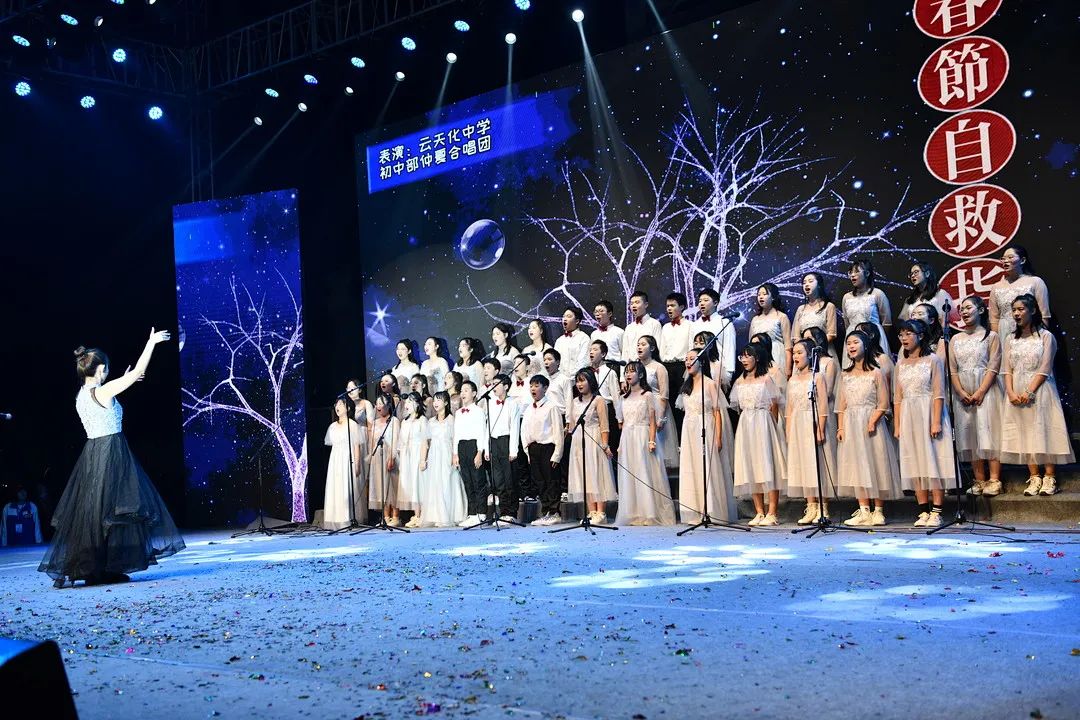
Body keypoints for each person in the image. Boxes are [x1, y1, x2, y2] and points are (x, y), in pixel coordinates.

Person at [39, 331, 184, 588]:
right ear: (101, 369)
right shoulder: (103, 391)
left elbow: (122, 384)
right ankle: (99, 568)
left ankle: (101, 567)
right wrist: (150, 343)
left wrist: (124, 380)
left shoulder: (81, 394)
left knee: (96, 511)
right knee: (113, 510)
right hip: (111, 451)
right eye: (106, 369)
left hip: (93, 453)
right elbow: (138, 371)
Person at [1000, 294, 1074, 496]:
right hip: (1016, 390)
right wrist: (1010, 392)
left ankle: (1049, 477)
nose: (1016, 313)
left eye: (1021, 309)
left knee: (1044, 429)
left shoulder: (1046, 337)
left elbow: (1045, 367)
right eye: (1014, 310)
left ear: (1032, 311)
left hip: (1041, 389)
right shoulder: (1010, 339)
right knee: (1024, 432)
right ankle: (1034, 477)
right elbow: (1006, 369)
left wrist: (1029, 390)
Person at [894, 319, 954, 528]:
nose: (904, 338)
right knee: (916, 462)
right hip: (909, 415)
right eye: (901, 334)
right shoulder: (900, 364)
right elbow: (898, 397)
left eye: (909, 334)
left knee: (933, 461)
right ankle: (923, 510)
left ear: (920, 336)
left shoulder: (933, 360)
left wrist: (936, 421)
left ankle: (937, 511)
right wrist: (897, 425)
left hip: (929, 412)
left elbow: (938, 393)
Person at [837, 331, 900, 527]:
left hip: (871, 423)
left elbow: (883, 403)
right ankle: (863, 510)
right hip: (851, 424)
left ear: (865, 345)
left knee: (876, 463)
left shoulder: (876, 372)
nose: (851, 346)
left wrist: (872, 421)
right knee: (857, 466)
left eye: (855, 342)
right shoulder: (845, 375)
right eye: (848, 343)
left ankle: (878, 511)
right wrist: (840, 427)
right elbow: (841, 405)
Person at [949, 296, 1004, 496]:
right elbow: (952, 369)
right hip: (963, 392)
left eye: (968, 308)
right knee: (970, 433)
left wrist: (981, 391)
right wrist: (961, 391)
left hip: (986, 389)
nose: (963, 312)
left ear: (980, 310)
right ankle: (979, 480)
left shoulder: (991, 336)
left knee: (988, 431)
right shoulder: (955, 339)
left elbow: (993, 366)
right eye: (961, 309)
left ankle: (994, 480)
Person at [730, 343, 787, 526]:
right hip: (746, 424)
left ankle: (772, 512)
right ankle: (759, 512)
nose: (744, 360)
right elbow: (738, 406)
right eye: (742, 356)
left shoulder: (766, 379)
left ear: (757, 358)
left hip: (763, 422)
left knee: (767, 465)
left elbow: (774, 405)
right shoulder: (739, 381)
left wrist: (772, 427)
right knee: (751, 465)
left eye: (748, 356)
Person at [676, 349, 735, 524]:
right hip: (689, 429)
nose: (688, 362)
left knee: (707, 467)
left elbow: (717, 412)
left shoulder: (709, 384)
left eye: (692, 359)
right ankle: (694, 510)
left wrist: (718, 437)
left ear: (701, 362)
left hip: (706, 426)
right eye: (686, 359)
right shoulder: (686, 386)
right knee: (692, 467)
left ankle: (711, 510)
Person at [614, 361, 676, 526]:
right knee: (630, 474)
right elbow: (623, 423)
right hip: (628, 438)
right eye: (626, 372)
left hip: (643, 436)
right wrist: (620, 444)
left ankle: (648, 513)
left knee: (644, 473)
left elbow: (652, 420)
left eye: (632, 371)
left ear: (641, 374)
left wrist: (651, 440)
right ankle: (633, 513)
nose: (628, 375)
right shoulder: (623, 398)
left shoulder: (647, 395)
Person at [786, 340, 837, 525]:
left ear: (809, 355)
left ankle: (823, 507)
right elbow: (789, 408)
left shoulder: (818, 377)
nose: (795, 356)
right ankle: (811, 506)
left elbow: (823, 405)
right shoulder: (792, 380)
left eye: (800, 353)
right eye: (794, 353)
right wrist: (788, 431)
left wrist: (821, 428)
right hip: (797, 424)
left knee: (818, 465)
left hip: (812, 422)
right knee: (803, 465)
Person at [565, 368, 617, 524]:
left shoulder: (598, 400)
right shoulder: (575, 402)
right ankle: (591, 511)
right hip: (578, 442)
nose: (579, 384)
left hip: (594, 439)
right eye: (577, 381)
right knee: (584, 476)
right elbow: (572, 426)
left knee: (597, 474)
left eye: (582, 380)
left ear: (591, 381)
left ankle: (601, 513)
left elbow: (604, 425)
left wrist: (605, 444)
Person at [417, 391, 468, 527]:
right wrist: (422, 460)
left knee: (448, 482)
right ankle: (436, 516)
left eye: (439, 400)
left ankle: (450, 515)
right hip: (434, 456)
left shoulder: (452, 420)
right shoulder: (431, 422)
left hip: (447, 454)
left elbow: (456, 440)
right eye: (434, 400)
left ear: (446, 402)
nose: (435, 403)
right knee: (435, 484)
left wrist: (455, 455)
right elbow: (425, 442)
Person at [520, 375, 565, 526]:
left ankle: (555, 512)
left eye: (537, 386)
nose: (533, 389)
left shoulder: (551, 407)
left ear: (545, 388)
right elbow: (524, 430)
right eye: (531, 386)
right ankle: (546, 511)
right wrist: (527, 450)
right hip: (533, 448)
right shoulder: (528, 409)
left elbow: (558, 431)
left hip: (548, 447)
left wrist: (557, 454)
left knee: (551, 480)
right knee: (539, 482)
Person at [988, 245, 1051, 338]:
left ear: (1022, 260)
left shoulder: (1035, 282)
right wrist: (996, 342)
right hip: (1004, 332)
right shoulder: (996, 287)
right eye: (1003, 259)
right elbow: (994, 319)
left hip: (1029, 332)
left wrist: (1039, 339)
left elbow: (1044, 315)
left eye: (1010, 257)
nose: (1005, 261)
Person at [636, 335, 678, 468]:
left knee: (657, 445)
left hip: (656, 407)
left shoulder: (659, 367)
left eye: (643, 344)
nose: (639, 347)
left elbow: (664, 394)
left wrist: (661, 417)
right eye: (638, 344)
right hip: (640, 406)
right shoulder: (635, 368)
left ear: (652, 348)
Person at [322, 397, 363, 530]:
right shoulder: (332, 426)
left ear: (348, 408)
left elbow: (357, 446)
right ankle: (334, 520)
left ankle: (346, 519)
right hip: (335, 460)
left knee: (346, 488)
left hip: (347, 459)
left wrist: (357, 464)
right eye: (336, 404)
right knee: (335, 488)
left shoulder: (352, 425)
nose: (337, 407)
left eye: (341, 404)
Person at [841, 258, 892, 366]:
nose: (852, 275)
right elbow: (846, 322)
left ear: (867, 273)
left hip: (873, 338)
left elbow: (886, 322)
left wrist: (877, 336)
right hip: (853, 339)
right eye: (851, 272)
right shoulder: (846, 297)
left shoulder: (877, 294)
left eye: (856, 271)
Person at [484, 374, 521, 522]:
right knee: (498, 481)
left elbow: (515, 427)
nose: (493, 386)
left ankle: (512, 512)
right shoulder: (491, 403)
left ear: (505, 386)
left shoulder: (513, 403)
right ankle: (503, 511)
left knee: (509, 479)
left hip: (506, 441)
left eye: (497, 383)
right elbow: (488, 426)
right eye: (492, 383)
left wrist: (513, 450)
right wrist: (487, 448)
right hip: (494, 442)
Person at [453, 381, 489, 526]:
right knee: (467, 481)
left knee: (478, 480)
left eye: (466, 390)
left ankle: (481, 513)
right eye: (462, 390)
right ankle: (472, 513)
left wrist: (480, 452)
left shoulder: (479, 411)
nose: (463, 393)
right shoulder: (458, 413)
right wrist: (455, 453)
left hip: (474, 446)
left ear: (474, 394)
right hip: (462, 446)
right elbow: (456, 434)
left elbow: (481, 432)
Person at [691, 288, 736, 389]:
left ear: (715, 303)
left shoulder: (724, 323)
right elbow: (692, 348)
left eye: (706, 300)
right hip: (699, 369)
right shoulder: (695, 325)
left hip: (718, 370)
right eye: (700, 301)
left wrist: (728, 374)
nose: (702, 303)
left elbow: (730, 348)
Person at [659, 292, 691, 435]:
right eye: (667, 306)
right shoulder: (665, 327)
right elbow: (662, 349)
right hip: (667, 367)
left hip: (682, 367)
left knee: (682, 404)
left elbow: (691, 348)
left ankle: (682, 437)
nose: (669, 309)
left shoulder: (690, 325)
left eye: (672, 305)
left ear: (682, 307)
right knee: (668, 403)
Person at [397, 393, 429, 528]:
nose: (407, 405)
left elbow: (425, 441)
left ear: (417, 404)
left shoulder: (422, 420)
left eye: (410, 402)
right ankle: (416, 514)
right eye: (406, 402)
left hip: (417, 455)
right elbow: (400, 443)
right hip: (406, 456)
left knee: (419, 485)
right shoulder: (404, 422)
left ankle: (422, 515)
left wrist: (423, 459)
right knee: (410, 485)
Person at [367, 393, 400, 525]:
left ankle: (396, 517)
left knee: (391, 486)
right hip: (377, 458)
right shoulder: (374, 423)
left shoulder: (394, 421)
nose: (378, 406)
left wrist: (392, 457)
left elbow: (396, 440)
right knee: (381, 487)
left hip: (390, 456)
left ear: (388, 405)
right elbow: (372, 442)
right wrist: (371, 457)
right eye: (377, 404)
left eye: (381, 403)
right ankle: (385, 517)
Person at [791, 272, 838, 363]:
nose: (806, 284)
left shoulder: (828, 306)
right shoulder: (801, 309)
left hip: (824, 351)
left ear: (819, 285)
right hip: (804, 356)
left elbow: (831, 334)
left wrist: (816, 347)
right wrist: (805, 349)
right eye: (804, 283)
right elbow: (796, 336)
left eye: (810, 281)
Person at [749, 283, 791, 375]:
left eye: (764, 294)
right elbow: (750, 345)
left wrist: (788, 369)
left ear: (773, 297)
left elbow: (788, 346)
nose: (761, 297)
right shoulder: (755, 319)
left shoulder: (781, 317)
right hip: (758, 359)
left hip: (777, 356)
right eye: (759, 294)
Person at [898, 261, 954, 328]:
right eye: (911, 274)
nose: (912, 276)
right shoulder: (910, 299)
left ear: (927, 274)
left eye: (916, 272)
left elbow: (945, 320)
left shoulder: (940, 294)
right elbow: (905, 321)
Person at [622, 290, 663, 363]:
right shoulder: (629, 328)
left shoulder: (655, 324)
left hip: (648, 364)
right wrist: (624, 369)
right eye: (631, 303)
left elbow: (658, 348)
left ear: (646, 305)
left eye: (637, 302)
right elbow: (625, 352)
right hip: (631, 366)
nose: (633, 306)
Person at [554, 307, 591, 380]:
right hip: (559, 381)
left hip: (577, 381)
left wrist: (570, 379)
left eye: (569, 316)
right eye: (564, 316)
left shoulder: (584, 338)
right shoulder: (559, 341)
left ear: (577, 321)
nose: (565, 319)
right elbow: (555, 362)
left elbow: (583, 363)